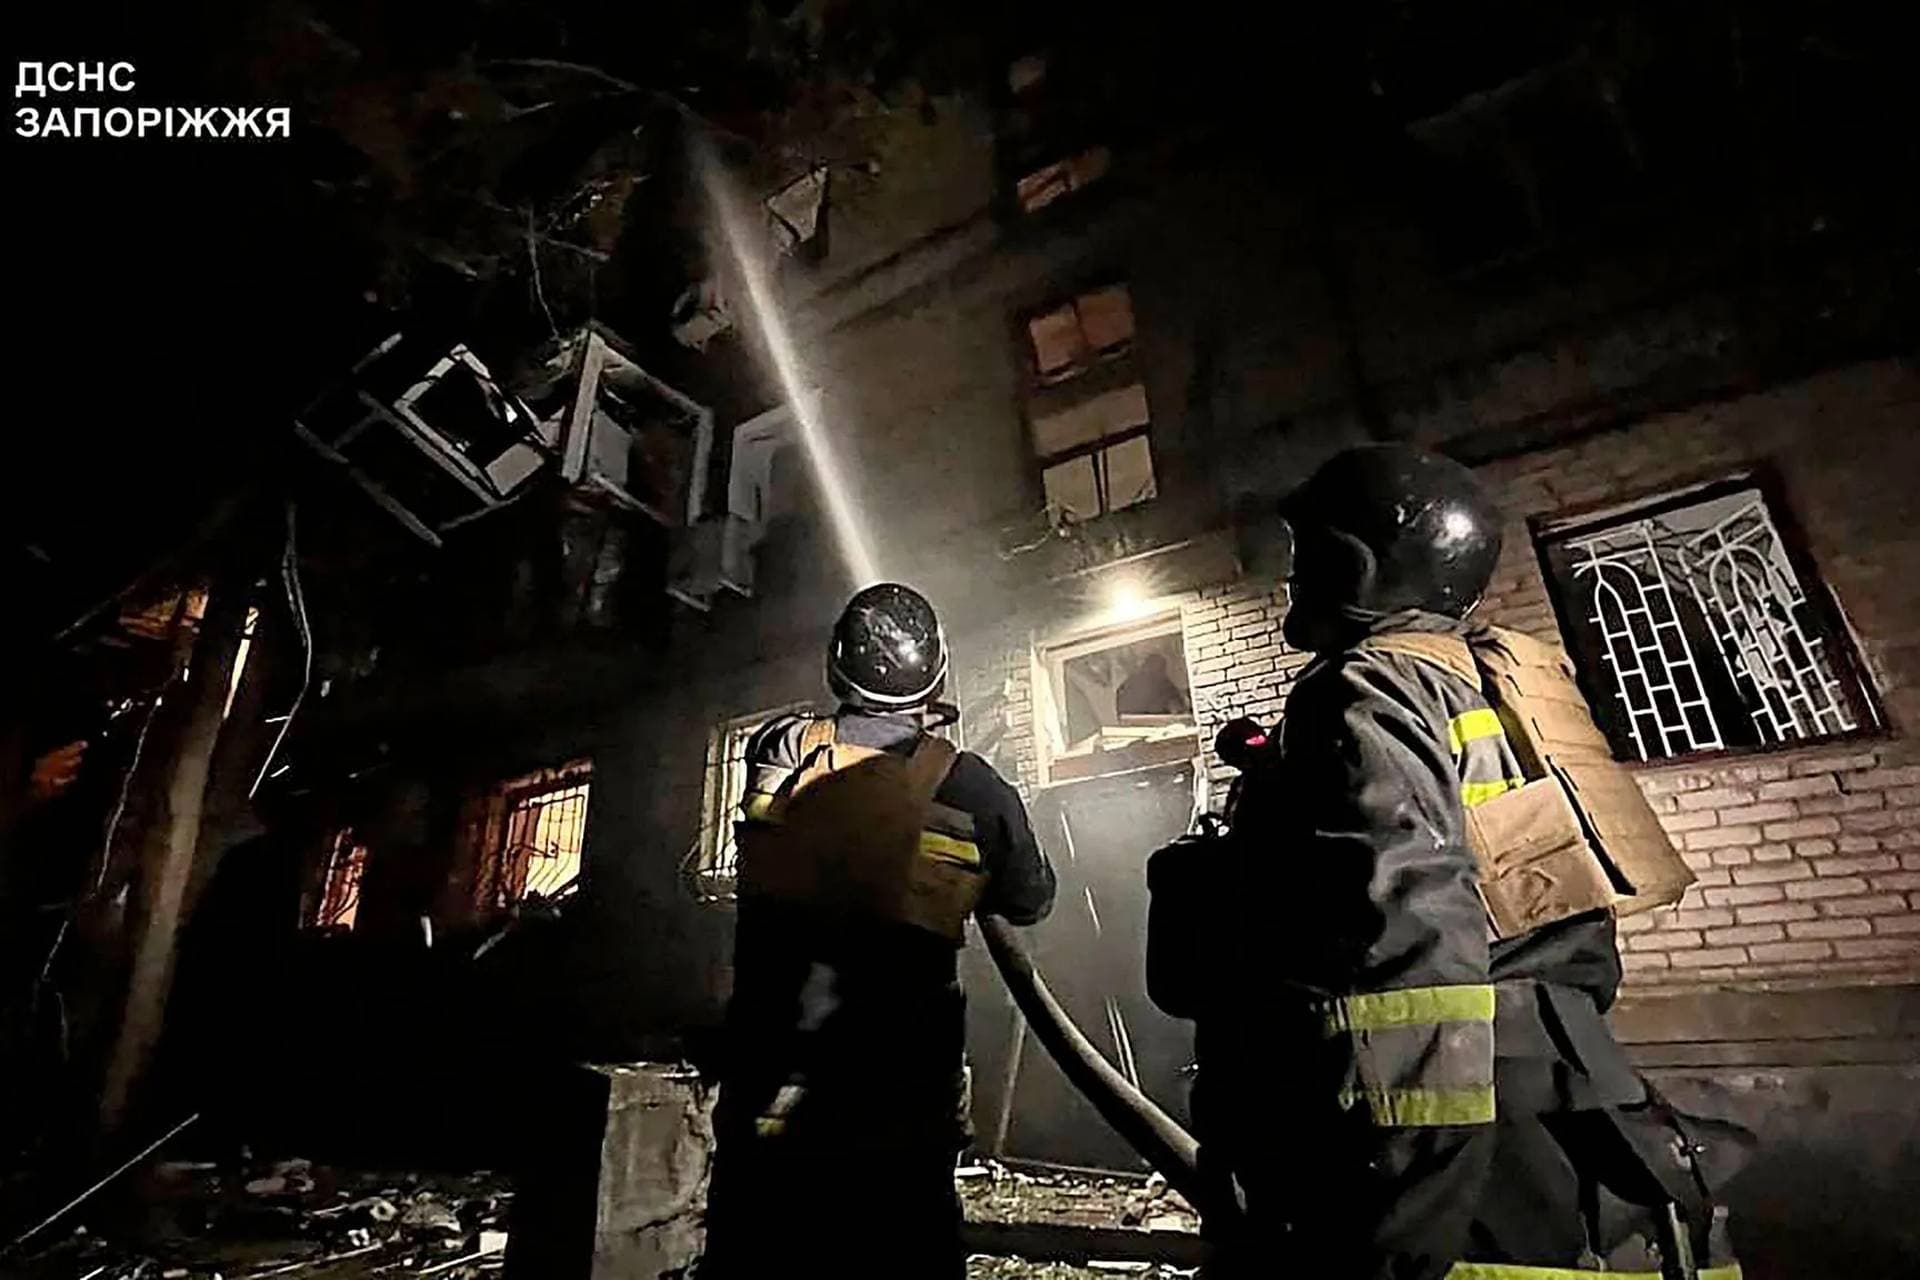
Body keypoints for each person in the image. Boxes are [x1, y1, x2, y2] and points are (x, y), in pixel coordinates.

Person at [1149, 445, 1738, 1279]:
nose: (1287, 576)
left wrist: (1406, 1232)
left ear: (1352, 567)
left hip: (1454, 1170)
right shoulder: (1500, 682)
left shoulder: (1363, 688)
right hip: (1569, 1119)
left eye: (1303, 552)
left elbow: (1416, 955)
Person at [701, 582, 1056, 1279]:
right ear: (938, 674)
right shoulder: (974, 788)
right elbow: (1032, 899)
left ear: (837, 667)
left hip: (773, 1084)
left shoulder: (781, 749)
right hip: (902, 1106)